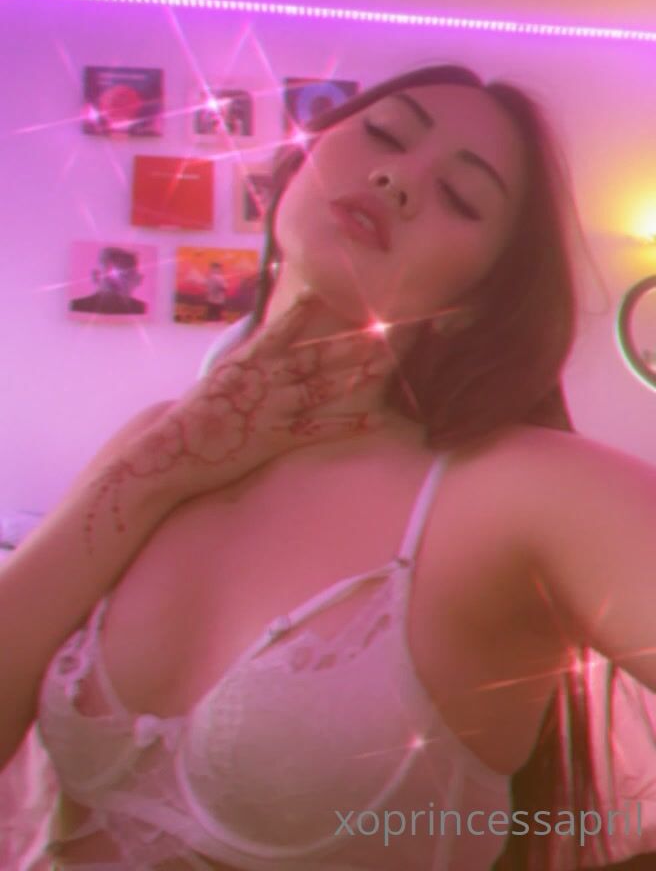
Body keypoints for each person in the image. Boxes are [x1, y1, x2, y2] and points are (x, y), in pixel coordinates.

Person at [2, 64, 656, 871]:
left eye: (461, 197)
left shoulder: (519, 491)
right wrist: (153, 474)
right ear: (294, 165)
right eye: (384, 133)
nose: (398, 178)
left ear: (476, 305)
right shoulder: (153, 446)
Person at [69, 248, 147, 316]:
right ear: (96, 276)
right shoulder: (76, 306)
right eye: (109, 274)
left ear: (138, 280)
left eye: (125, 274)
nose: (116, 282)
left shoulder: (141, 309)